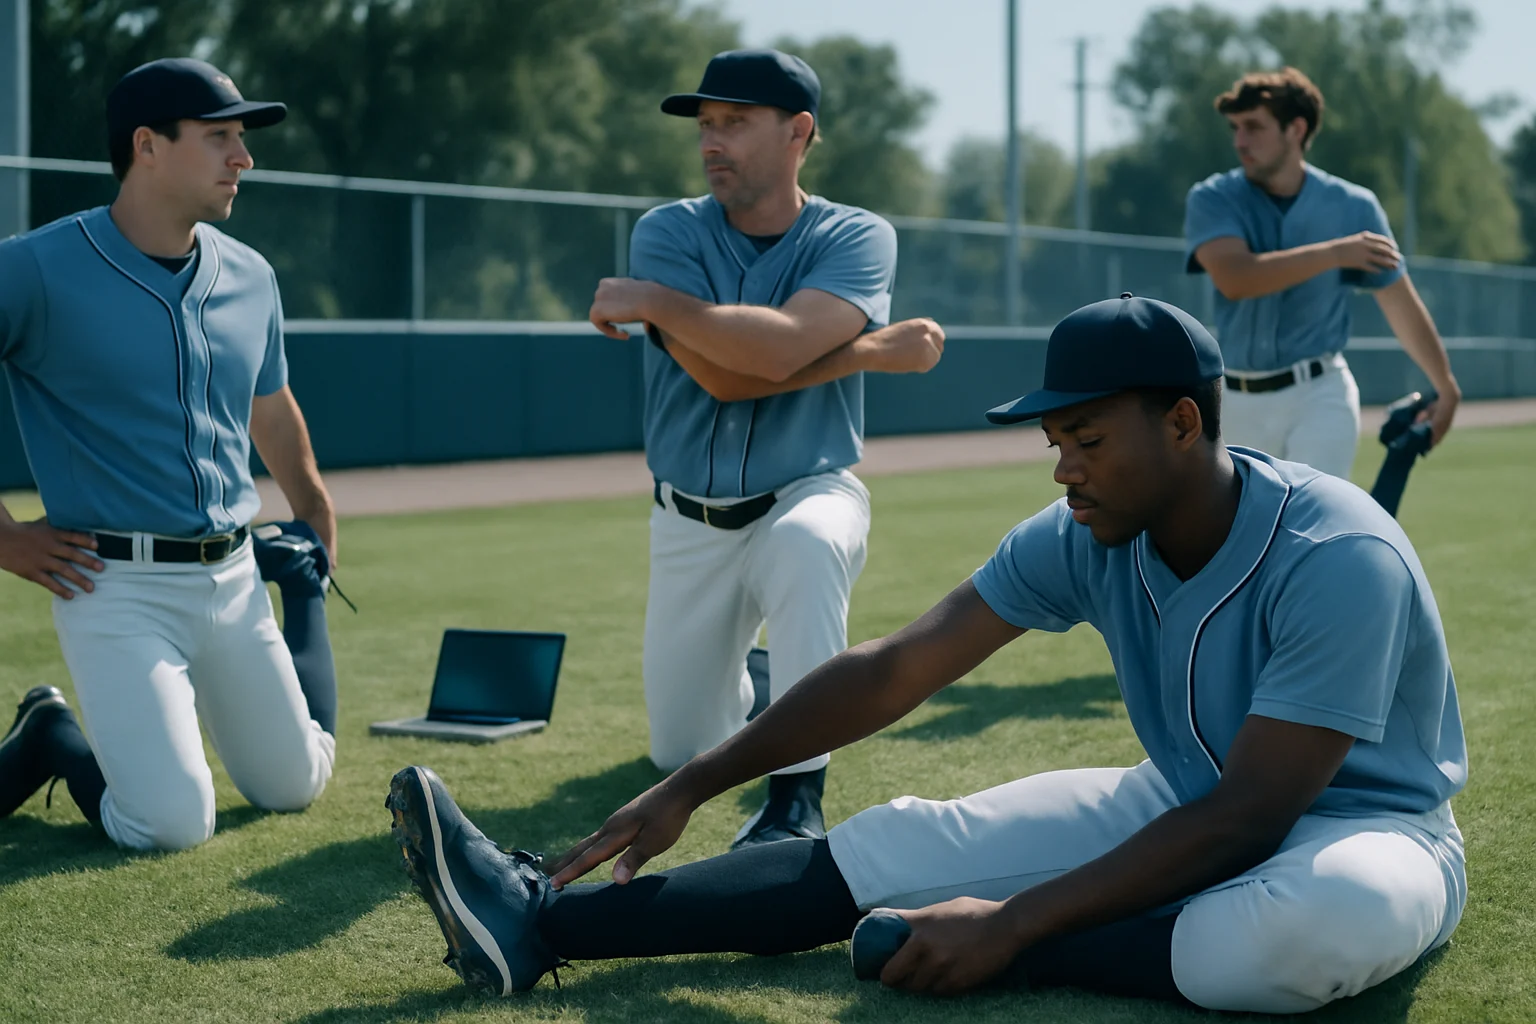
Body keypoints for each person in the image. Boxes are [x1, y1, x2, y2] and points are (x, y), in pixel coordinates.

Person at [386, 293, 1466, 1015]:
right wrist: (698, 778)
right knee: (899, 844)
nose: (1064, 471)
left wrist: (1017, 922)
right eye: (1056, 444)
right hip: (1175, 797)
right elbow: (896, 666)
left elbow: (1255, 815)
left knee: (1307, 934)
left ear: (1182, 423)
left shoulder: (1337, 551)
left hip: (1368, 835)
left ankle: (1042, 946)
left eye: (1086, 440)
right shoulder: (1087, 533)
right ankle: (535, 917)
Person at [585, 49, 944, 847]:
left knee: (808, 548)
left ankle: (794, 799)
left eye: (735, 123)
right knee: (680, 749)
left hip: (809, 487)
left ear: (799, 131)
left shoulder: (856, 234)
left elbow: (775, 356)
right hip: (687, 521)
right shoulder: (668, 230)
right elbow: (724, 379)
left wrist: (653, 302)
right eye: (706, 126)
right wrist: (868, 352)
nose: (712, 141)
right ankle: (756, 679)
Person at [0, 58, 339, 851]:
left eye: (242, 138)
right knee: (169, 824)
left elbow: (272, 405)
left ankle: (304, 594)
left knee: (295, 786)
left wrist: (316, 509)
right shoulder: (34, 267)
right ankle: (52, 735)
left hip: (234, 576)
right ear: (146, 146)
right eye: (219, 136)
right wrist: (4, 537)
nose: (242, 157)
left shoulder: (251, 274)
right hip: (113, 584)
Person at [1184, 67, 1461, 480]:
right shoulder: (1212, 197)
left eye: (1254, 126)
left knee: (1307, 528)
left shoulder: (1355, 206)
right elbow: (1236, 279)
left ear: (1296, 129)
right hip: (1233, 402)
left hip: (1319, 394)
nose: (1240, 140)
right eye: (1235, 127)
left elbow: (1399, 301)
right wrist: (1335, 253)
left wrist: (1446, 385)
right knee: (1235, 535)